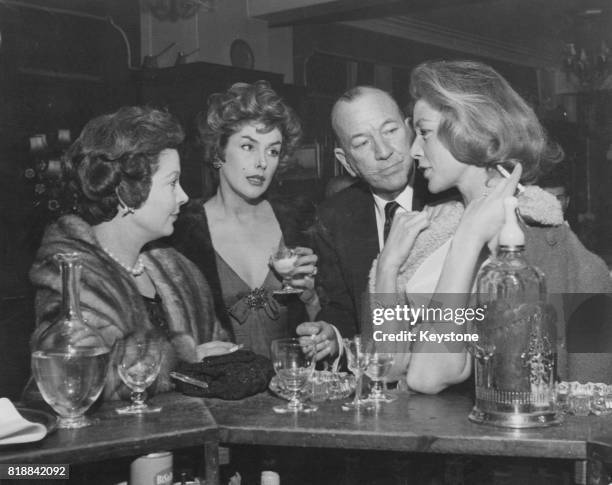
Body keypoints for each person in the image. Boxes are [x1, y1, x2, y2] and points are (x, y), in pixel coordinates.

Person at [375, 60, 612, 393]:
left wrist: (468, 241)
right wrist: (389, 265)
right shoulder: (432, 230)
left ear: (469, 129)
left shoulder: (549, 250)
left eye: (424, 132)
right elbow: (388, 365)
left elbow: (426, 376)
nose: (413, 150)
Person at [29, 106, 234, 401]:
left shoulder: (182, 272)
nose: (184, 196)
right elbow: (71, 378)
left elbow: (220, 356)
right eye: (172, 182)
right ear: (127, 191)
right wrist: (180, 360)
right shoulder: (69, 275)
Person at [171, 81, 319, 359]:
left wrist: (311, 297)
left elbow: (328, 323)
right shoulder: (182, 231)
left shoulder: (299, 222)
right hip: (218, 394)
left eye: (273, 151)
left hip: (291, 390)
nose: (262, 162)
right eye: (248, 146)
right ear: (218, 151)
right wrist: (187, 354)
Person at [297, 86, 430, 358]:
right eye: (362, 143)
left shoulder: (449, 198)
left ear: (409, 130)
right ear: (346, 162)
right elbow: (343, 309)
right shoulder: (333, 217)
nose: (383, 151)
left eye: (390, 131)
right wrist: (332, 335)